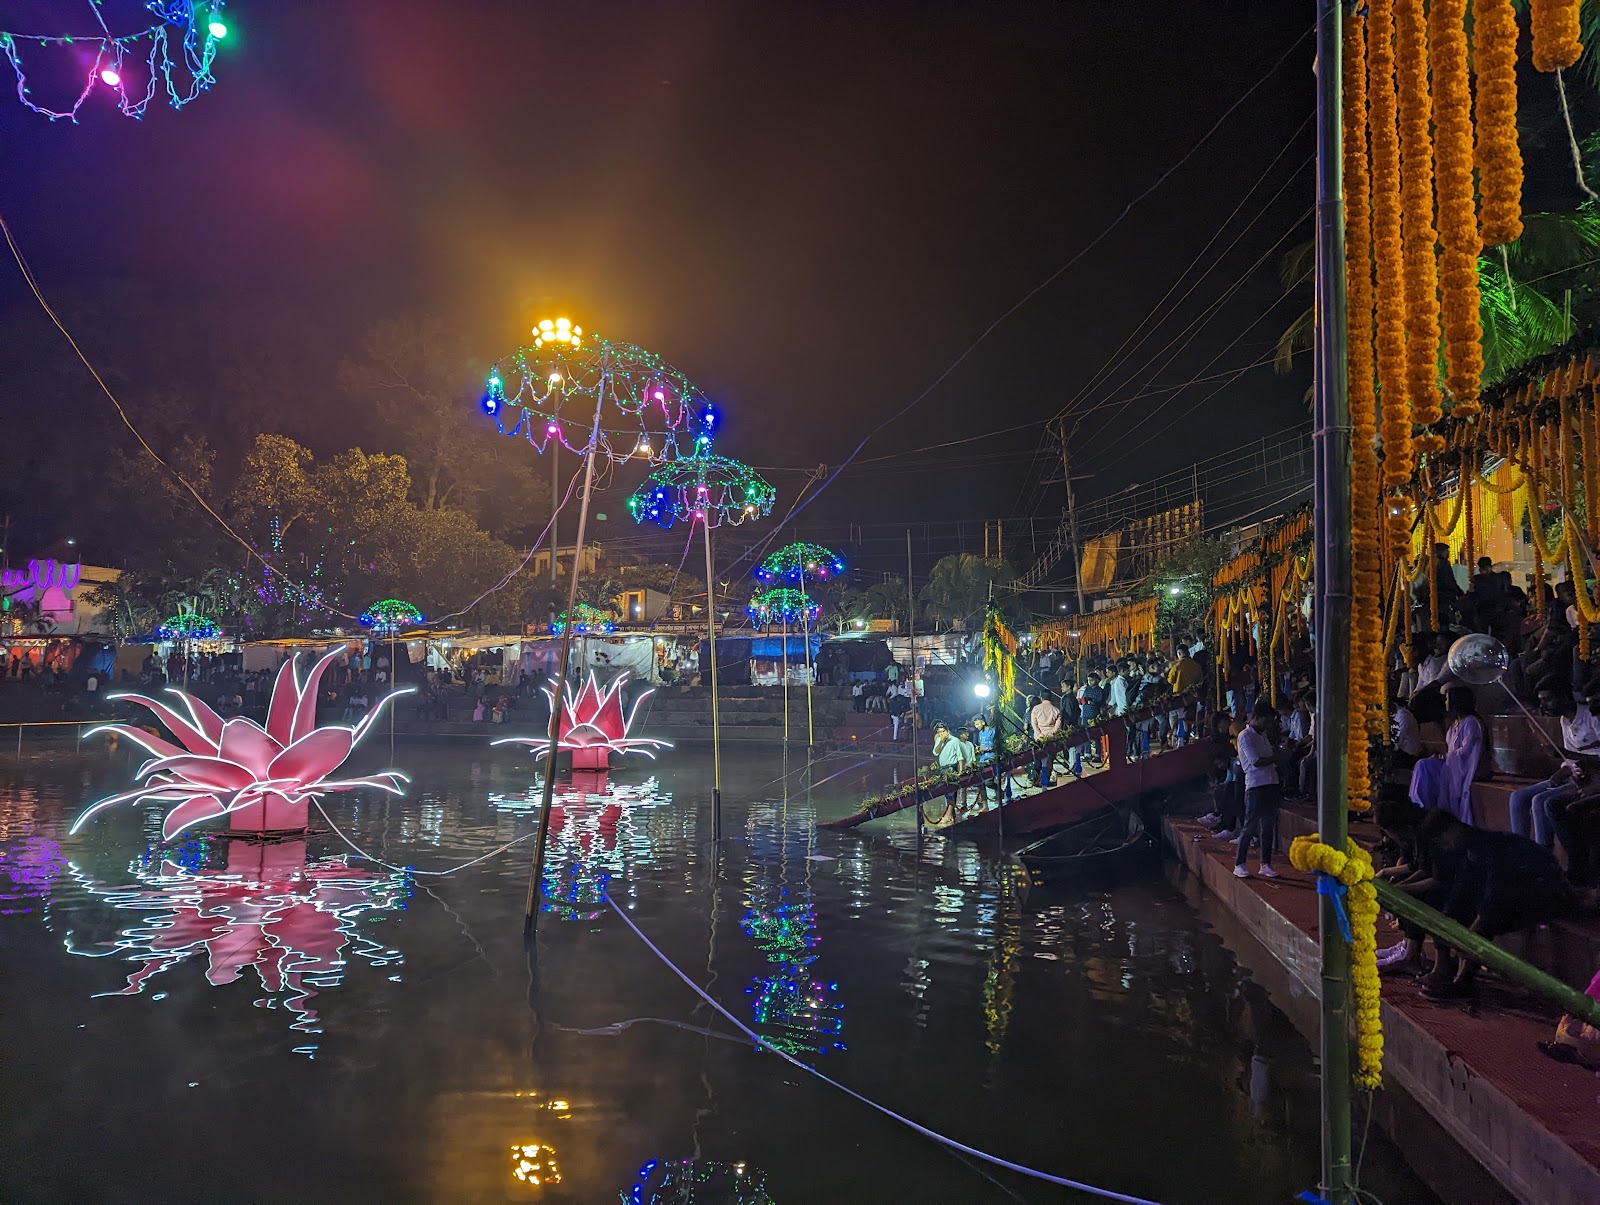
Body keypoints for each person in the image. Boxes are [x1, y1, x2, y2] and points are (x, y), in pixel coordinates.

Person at [1508, 686, 1600, 849]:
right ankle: (1520, 851)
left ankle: (1543, 855)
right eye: (1541, 700)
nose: (1543, 705)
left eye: (1547, 699)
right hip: (1575, 774)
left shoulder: (1592, 716)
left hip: (1592, 777)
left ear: (1565, 697)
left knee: (1540, 801)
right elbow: (1570, 758)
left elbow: (1587, 757)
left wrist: (1565, 755)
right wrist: (1560, 773)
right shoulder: (1564, 721)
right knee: (1517, 797)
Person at [1408, 686, 1488, 823]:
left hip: (1464, 768)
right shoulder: (1453, 725)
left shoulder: (1471, 723)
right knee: (1423, 765)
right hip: (1452, 765)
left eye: (1447, 699)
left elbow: (1468, 752)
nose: (1445, 702)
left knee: (1425, 766)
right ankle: (1419, 806)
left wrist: (1445, 757)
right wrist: (1442, 757)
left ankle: (1422, 809)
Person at [1233, 699, 1282, 879]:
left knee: (1268, 826)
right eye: (1267, 721)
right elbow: (1256, 761)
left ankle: (1265, 863)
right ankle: (1239, 863)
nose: (1268, 725)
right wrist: (1276, 758)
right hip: (1255, 785)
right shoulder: (1245, 736)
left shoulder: (1262, 735)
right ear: (1258, 717)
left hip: (1271, 782)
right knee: (1250, 825)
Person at [1028, 693, 1062, 788]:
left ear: (1041, 697)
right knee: (1050, 759)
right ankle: (1045, 780)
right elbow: (1057, 726)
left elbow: (1034, 724)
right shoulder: (1056, 710)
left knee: (1038, 759)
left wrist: (1039, 734)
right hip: (1051, 739)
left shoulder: (1036, 709)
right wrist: (1050, 734)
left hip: (1038, 739)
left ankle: (1036, 780)